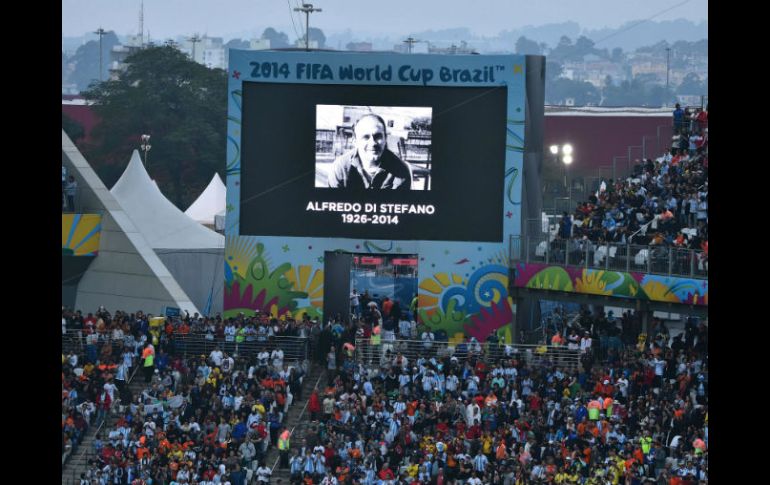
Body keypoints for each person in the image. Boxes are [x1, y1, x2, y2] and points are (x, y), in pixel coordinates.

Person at [327, 113, 412, 190]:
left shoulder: (401, 170)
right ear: (355, 141)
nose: (373, 143)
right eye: (366, 137)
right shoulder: (340, 169)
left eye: (378, 136)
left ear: (385, 138)